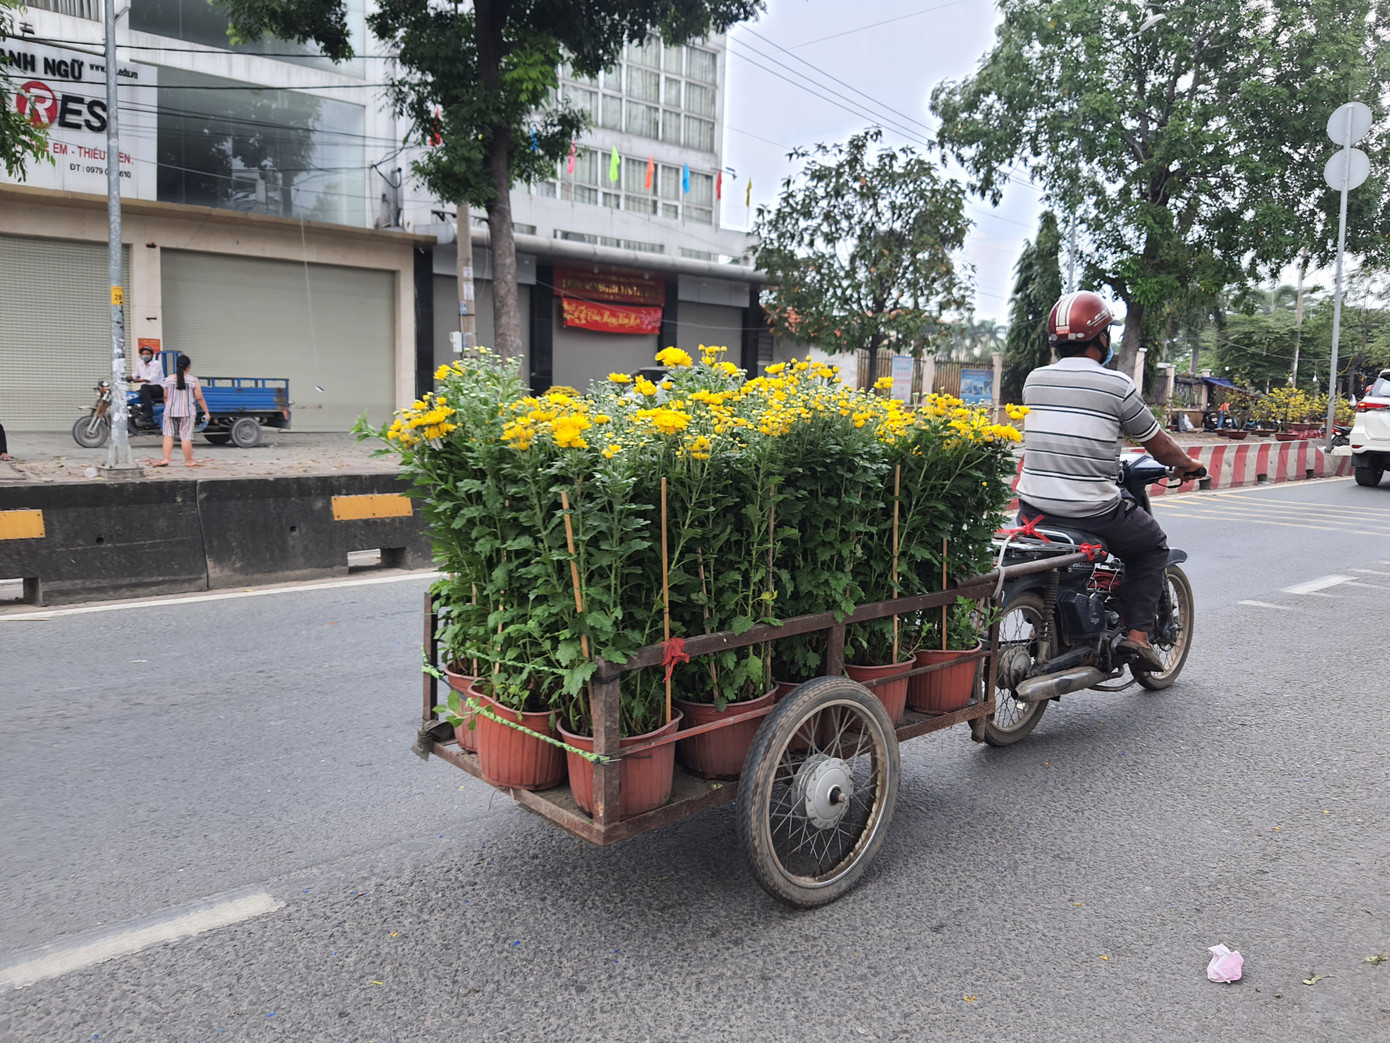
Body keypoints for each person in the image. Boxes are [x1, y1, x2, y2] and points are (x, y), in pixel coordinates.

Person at [1014, 290, 1206, 672]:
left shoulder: (1034, 380)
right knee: (1151, 546)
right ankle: (1137, 637)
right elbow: (1160, 446)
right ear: (1101, 338)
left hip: (1033, 508)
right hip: (1091, 510)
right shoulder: (1116, 385)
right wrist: (1189, 466)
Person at [151, 354, 209, 468]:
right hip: (187, 412)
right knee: (185, 437)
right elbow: (199, 397)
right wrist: (206, 412)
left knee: (168, 436)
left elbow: (166, 397)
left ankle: (165, 459)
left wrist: (169, 407)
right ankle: (188, 461)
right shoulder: (193, 381)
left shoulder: (168, 380)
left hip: (170, 411)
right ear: (188, 367)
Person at [130, 345, 164, 424]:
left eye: (147, 354)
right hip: (148, 389)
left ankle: (148, 413)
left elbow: (152, 378)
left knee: (144, 387)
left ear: (152, 355)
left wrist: (138, 380)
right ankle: (138, 413)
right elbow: (136, 374)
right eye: (143, 354)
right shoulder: (140, 364)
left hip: (158, 388)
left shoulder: (156, 364)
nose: (145, 355)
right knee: (135, 394)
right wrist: (129, 377)